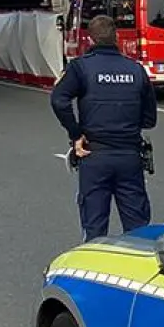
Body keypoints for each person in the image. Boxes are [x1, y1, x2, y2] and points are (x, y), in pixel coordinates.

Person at [51, 15, 158, 242]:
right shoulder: (136, 70)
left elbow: (59, 100)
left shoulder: (81, 68)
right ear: (116, 37)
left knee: (95, 228)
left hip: (95, 154)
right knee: (138, 229)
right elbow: (149, 120)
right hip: (130, 155)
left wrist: (75, 133)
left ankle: (97, 269)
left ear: (91, 39)